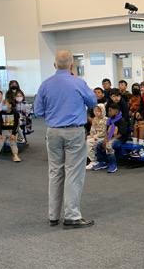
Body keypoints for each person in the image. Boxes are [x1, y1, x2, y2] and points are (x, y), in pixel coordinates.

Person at [34, 50, 98, 229]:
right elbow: (93, 102)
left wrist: (54, 114)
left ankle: (53, 216)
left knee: (55, 172)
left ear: (54, 65)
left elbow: (38, 111)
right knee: (73, 173)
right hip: (74, 131)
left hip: (53, 131)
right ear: (71, 65)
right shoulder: (78, 82)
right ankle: (71, 216)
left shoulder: (45, 84)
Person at [93, 102, 129, 173]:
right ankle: (102, 162)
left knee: (109, 145)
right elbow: (107, 132)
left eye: (110, 111)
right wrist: (105, 139)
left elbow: (121, 134)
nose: (108, 112)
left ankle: (113, 164)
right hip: (111, 138)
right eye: (108, 110)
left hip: (120, 139)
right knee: (98, 144)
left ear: (116, 111)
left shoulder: (122, 120)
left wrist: (109, 140)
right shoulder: (109, 120)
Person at [86, 104, 107, 170]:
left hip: (103, 137)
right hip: (95, 136)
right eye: (95, 111)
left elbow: (104, 131)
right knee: (83, 140)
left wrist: (96, 136)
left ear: (102, 111)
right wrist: (93, 135)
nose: (96, 112)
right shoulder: (94, 119)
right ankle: (88, 158)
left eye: (98, 111)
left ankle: (94, 160)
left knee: (88, 142)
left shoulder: (106, 120)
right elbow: (92, 129)